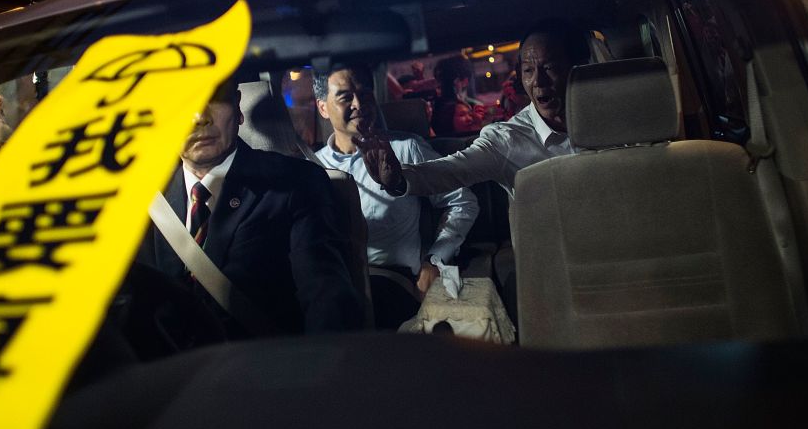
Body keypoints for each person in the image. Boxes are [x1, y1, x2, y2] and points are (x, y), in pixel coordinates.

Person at [137, 77, 365, 339]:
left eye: (213, 98)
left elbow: (325, 292)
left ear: (238, 108)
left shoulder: (294, 183)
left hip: (258, 366)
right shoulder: (141, 200)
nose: (199, 116)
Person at [313, 66, 478, 329]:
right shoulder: (313, 168)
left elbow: (462, 202)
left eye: (365, 95)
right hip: (337, 285)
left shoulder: (404, 149)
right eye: (345, 97)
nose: (359, 104)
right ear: (323, 108)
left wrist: (435, 260)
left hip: (392, 281)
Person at [358, 18, 590, 199]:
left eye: (549, 67)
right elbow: (452, 170)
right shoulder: (506, 139)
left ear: (578, 67)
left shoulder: (616, 118)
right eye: (528, 70)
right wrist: (398, 180)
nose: (538, 81)